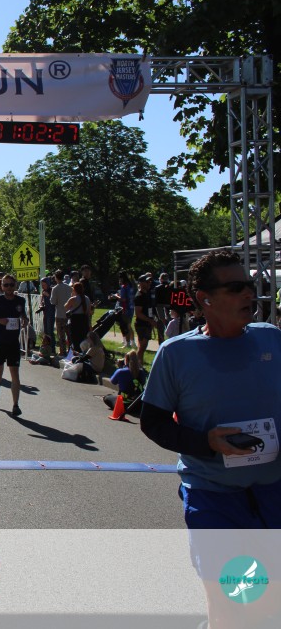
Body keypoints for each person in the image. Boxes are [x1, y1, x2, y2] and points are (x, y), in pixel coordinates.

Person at [140, 250, 281, 627]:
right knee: (230, 604)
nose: (249, 293)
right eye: (236, 288)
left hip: (273, 493)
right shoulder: (177, 353)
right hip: (213, 495)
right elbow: (153, 423)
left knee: (268, 605)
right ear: (204, 299)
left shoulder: (271, 339)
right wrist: (207, 443)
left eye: (250, 285)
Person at [0, 274, 29, 416]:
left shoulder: (20, 300)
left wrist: (25, 320)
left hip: (13, 343)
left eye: (11, 285)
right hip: (0, 342)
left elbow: (23, 315)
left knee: (15, 374)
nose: (9, 288)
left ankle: (15, 405)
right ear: (1, 286)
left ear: (15, 286)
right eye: (6, 285)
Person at [133, 273, 158, 358]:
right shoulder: (139, 296)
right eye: (147, 282)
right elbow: (138, 313)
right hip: (142, 324)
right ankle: (137, 363)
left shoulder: (147, 294)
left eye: (150, 282)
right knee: (142, 348)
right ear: (141, 283)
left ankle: (138, 363)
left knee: (142, 348)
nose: (149, 283)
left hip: (147, 324)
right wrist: (150, 320)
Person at [64, 281, 92, 353]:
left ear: (74, 290)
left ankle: (76, 352)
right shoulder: (87, 298)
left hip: (75, 320)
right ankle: (83, 352)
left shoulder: (73, 299)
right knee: (83, 338)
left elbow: (65, 307)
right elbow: (89, 312)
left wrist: (72, 295)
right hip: (84, 320)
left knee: (75, 339)